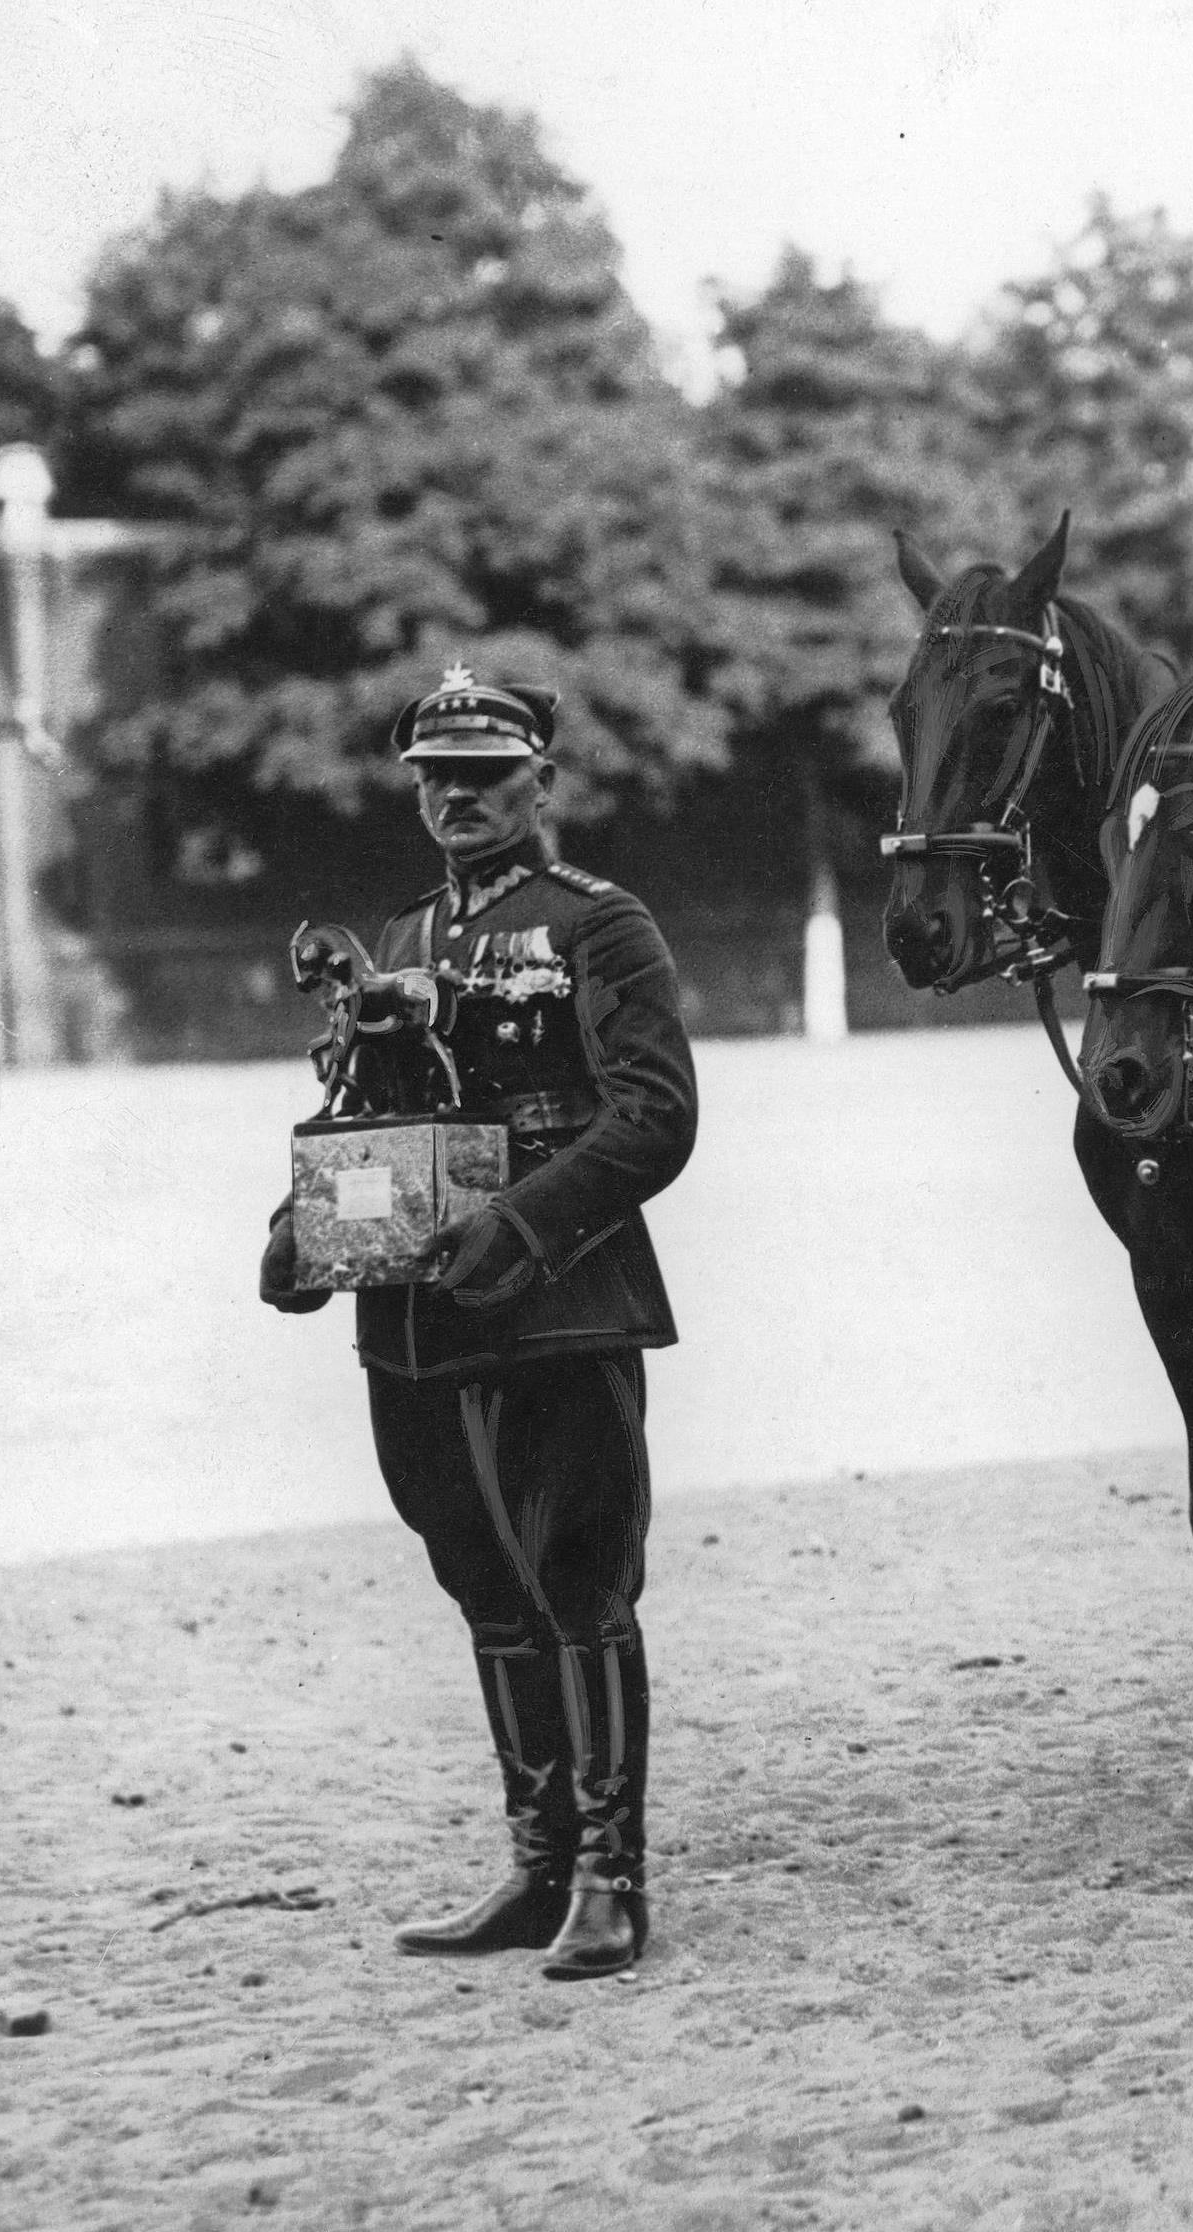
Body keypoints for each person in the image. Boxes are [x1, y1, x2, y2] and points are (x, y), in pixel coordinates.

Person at [260, 666, 698, 1977]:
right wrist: (297, 1224)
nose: (456, 796)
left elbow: (655, 1115)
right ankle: (537, 1861)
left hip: (556, 1299)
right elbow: (363, 1108)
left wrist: (523, 1222)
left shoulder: (597, 924)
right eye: (434, 778)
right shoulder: (398, 931)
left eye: (485, 774)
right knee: (482, 1584)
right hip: (413, 1314)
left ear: (540, 783)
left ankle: (611, 1877)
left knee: (580, 1580)